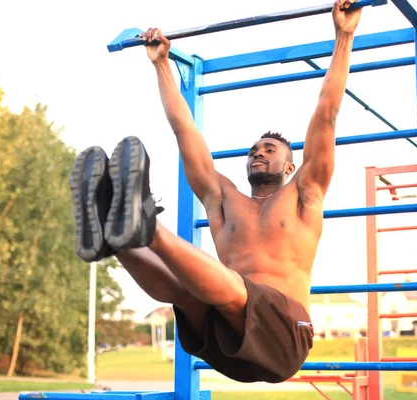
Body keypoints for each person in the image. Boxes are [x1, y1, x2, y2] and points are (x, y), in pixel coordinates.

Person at [70, 0, 362, 383]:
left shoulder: (305, 192)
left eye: (269, 150)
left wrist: (344, 36)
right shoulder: (222, 198)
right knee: (187, 294)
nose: (258, 152)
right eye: (254, 150)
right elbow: (184, 130)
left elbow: (327, 111)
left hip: (286, 338)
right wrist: (161, 64)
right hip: (227, 345)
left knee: (235, 290)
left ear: (290, 166)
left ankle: (146, 227)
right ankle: (115, 238)